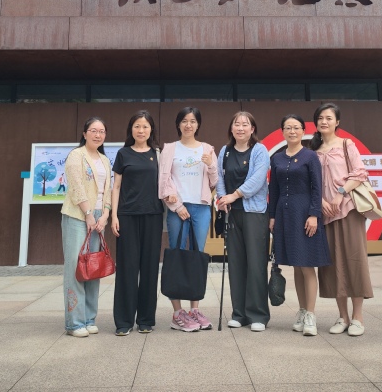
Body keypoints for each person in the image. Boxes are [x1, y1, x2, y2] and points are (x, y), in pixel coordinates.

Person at [311, 103, 374, 337]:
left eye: (329, 118)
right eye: (320, 118)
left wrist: (340, 194)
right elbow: (310, 182)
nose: (324, 121)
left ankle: (357, 317)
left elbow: (360, 173)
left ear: (337, 122)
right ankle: (342, 316)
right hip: (325, 214)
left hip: (348, 209)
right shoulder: (313, 151)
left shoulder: (347, 145)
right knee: (332, 264)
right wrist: (320, 202)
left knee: (354, 260)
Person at [268, 113, 330, 337]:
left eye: (296, 127)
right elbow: (273, 189)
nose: (292, 131)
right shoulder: (277, 158)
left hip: (304, 214)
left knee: (307, 264)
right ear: (282, 132)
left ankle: (311, 314)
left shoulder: (310, 156)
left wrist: (314, 214)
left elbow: (317, 188)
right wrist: (272, 216)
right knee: (295, 264)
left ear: (303, 131)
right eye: (288, 127)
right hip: (284, 215)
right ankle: (302, 311)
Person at [159, 106, 218, 332]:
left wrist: (210, 164)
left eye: (193, 121)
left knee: (197, 257)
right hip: (178, 209)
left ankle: (194, 310)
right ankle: (177, 313)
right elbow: (163, 181)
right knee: (176, 255)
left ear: (198, 124)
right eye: (184, 121)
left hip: (201, 208)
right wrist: (177, 206)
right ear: (178, 124)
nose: (188, 125)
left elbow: (215, 182)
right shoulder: (170, 149)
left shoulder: (207, 149)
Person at [216, 111, 270, 331]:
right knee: (236, 264)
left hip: (254, 212)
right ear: (231, 128)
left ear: (252, 129)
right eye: (236, 124)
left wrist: (234, 195)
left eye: (245, 124)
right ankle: (239, 314)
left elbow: (258, 179)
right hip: (232, 213)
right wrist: (223, 198)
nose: (240, 128)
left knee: (256, 264)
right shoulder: (225, 151)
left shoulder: (259, 150)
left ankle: (258, 315)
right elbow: (219, 177)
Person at [111, 110, 164, 336]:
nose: (141, 130)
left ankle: (145, 319)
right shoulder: (123, 154)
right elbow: (116, 187)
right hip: (127, 216)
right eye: (137, 126)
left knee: (150, 268)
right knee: (127, 268)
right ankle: (124, 321)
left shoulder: (158, 154)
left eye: (145, 126)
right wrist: (114, 216)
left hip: (153, 215)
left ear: (151, 130)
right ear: (131, 129)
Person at [61, 117, 112, 338]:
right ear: (84, 134)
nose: (98, 135)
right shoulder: (76, 155)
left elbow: (108, 190)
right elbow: (76, 186)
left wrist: (105, 214)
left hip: (99, 218)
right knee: (76, 268)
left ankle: (90, 319)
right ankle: (74, 323)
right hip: (78, 216)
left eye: (102, 131)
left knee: (93, 268)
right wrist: (88, 214)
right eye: (93, 130)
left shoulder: (105, 159)